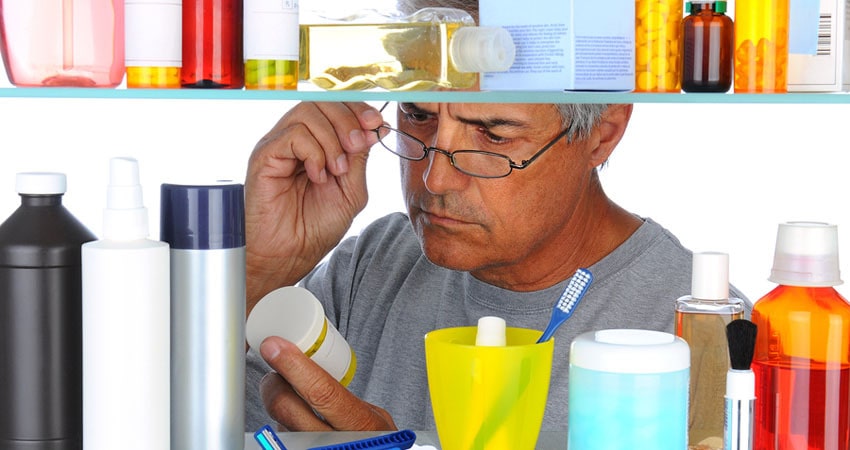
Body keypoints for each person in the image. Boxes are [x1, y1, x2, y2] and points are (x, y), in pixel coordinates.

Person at [244, 1, 748, 433]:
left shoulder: (700, 329)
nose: (436, 180)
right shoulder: (371, 267)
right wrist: (256, 272)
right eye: (417, 115)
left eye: (494, 134)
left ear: (603, 132)